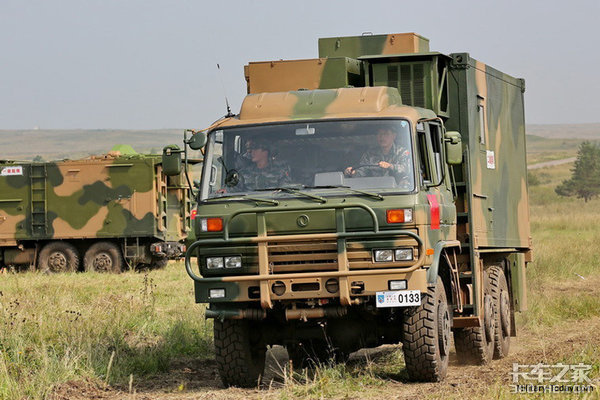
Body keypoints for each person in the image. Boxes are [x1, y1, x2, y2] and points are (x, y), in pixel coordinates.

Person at [344, 127, 411, 183]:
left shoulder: (403, 152)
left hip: (398, 191)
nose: (382, 137)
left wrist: (390, 166)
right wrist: (353, 172)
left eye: (386, 134)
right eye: (379, 134)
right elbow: (363, 170)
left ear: (394, 136)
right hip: (375, 190)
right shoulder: (370, 154)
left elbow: (408, 170)